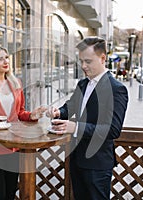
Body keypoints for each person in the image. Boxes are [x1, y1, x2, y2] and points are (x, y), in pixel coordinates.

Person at [47, 37, 128, 200]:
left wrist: (75, 127)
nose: (83, 66)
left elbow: (112, 130)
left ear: (103, 58)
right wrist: (57, 112)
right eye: (81, 61)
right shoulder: (83, 84)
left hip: (98, 165)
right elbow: (70, 107)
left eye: (88, 61)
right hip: (77, 159)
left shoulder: (117, 89)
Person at [0, 45, 46, 200]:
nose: (5, 61)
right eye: (0, 59)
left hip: (14, 146)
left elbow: (20, 113)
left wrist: (33, 115)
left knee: (11, 192)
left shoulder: (16, 83)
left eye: (6, 57)